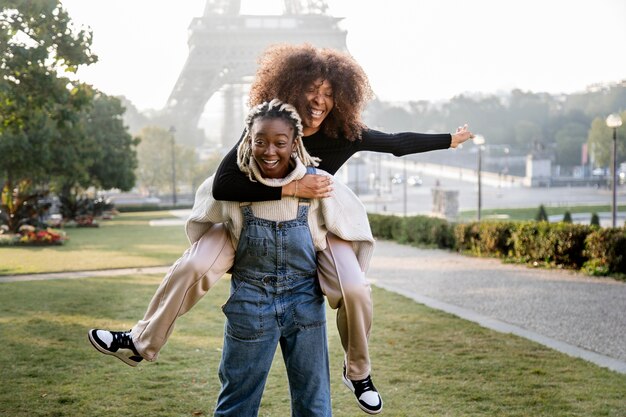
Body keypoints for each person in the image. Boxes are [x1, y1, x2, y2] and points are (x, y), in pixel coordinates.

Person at [89, 43, 474, 415]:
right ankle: (139, 341)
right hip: (245, 224)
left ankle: (358, 373)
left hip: (315, 227)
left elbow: (396, 142)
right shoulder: (268, 129)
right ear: (290, 89)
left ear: (341, 97)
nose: (319, 99)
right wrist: (291, 186)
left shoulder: (345, 135)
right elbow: (224, 185)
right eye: (311, 89)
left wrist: (450, 140)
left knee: (355, 289)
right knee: (190, 267)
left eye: (328, 92)